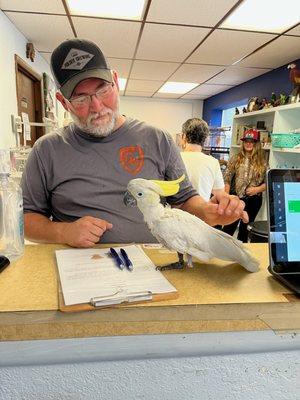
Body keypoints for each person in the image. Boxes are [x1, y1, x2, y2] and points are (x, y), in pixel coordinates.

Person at [21, 38, 248, 248]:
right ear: (63, 102)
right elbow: (27, 218)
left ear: (116, 82)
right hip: (80, 271)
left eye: (103, 90)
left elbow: (185, 200)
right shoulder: (46, 150)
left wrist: (210, 211)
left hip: (153, 265)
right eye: (81, 99)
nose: (97, 107)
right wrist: (63, 232)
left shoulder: (158, 139)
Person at [222, 128, 268, 242]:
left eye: (251, 141)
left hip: (254, 200)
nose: (248, 143)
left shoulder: (263, 162)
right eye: (246, 141)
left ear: (256, 143)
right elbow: (227, 179)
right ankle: (222, 254)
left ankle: (240, 255)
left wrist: (257, 189)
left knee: (244, 230)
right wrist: (226, 198)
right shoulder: (235, 158)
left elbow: (268, 181)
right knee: (228, 227)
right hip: (236, 198)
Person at [180, 118, 225, 201]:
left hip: (175, 212)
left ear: (184, 137)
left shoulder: (174, 159)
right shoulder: (212, 162)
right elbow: (220, 195)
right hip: (200, 212)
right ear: (205, 139)